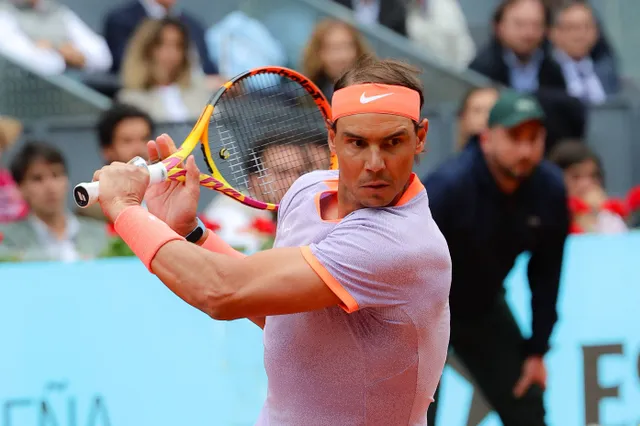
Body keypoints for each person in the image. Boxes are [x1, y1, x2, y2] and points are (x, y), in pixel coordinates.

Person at [92, 57, 452, 425]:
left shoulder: (402, 244)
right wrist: (189, 232)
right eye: (357, 142)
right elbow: (281, 313)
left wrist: (124, 207)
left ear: (420, 138)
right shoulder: (306, 192)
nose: (375, 163)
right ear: (332, 137)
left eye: (392, 142)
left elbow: (222, 292)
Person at [424, 90, 569, 426]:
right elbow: (404, 264)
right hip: (426, 311)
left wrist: (537, 351)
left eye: (534, 139)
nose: (525, 150)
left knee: (528, 402)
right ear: (487, 138)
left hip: (484, 306)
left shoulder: (549, 188)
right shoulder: (449, 187)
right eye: (514, 138)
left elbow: (547, 274)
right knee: (416, 415)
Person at [0, 142, 108, 262]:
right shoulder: (6, 238)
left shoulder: (100, 233)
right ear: (20, 188)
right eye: (37, 179)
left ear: (67, 181)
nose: (50, 187)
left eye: (56, 175)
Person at [117, 17, 211, 123]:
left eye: (178, 46)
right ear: (145, 50)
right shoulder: (130, 99)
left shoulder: (199, 90)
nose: (171, 53)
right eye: (161, 45)